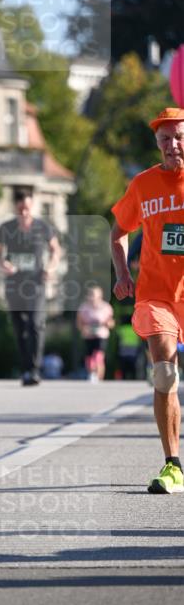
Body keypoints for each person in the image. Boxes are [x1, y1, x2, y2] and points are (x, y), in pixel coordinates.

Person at [111, 106, 184, 493]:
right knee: (165, 371)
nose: (172, 145)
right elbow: (118, 231)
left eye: (178, 137)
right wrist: (123, 273)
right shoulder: (143, 185)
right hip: (156, 294)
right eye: (165, 140)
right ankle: (173, 465)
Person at [0, 189, 61, 385]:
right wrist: (2, 264)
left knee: (35, 324)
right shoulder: (5, 228)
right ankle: (25, 369)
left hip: (36, 284)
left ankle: (35, 369)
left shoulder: (43, 227)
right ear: (15, 207)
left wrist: (51, 266)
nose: (24, 212)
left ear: (33, 207)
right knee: (19, 327)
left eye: (28, 208)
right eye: (21, 208)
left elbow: (55, 250)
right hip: (14, 284)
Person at [76, 286, 115, 381]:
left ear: (99, 295)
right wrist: (83, 328)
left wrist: (108, 323)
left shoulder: (106, 307)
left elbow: (111, 323)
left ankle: (99, 376)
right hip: (88, 335)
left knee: (98, 355)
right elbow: (79, 323)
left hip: (101, 334)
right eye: (90, 294)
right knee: (89, 357)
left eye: (94, 294)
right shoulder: (84, 307)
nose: (92, 297)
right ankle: (91, 374)